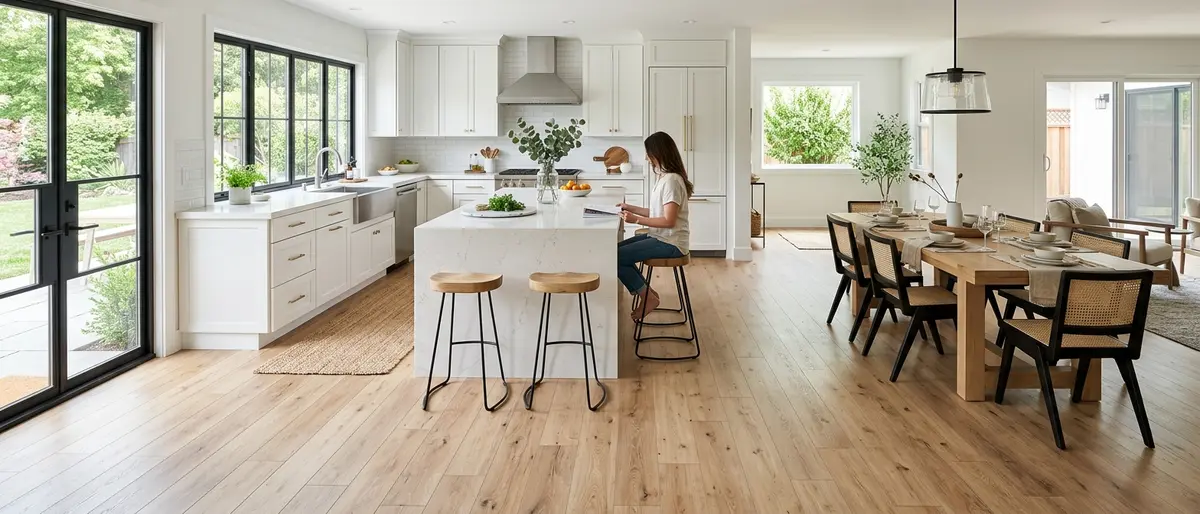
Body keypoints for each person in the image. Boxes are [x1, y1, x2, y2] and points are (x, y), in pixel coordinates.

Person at [617, 131, 694, 320]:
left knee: (614, 256)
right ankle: (648, 294)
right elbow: (658, 213)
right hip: (660, 237)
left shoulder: (672, 181)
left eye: (648, 153)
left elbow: (669, 221)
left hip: (672, 243)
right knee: (613, 251)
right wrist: (631, 208)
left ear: (658, 153)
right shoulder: (664, 178)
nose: (646, 157)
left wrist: (636, 220)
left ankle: (648, 297)